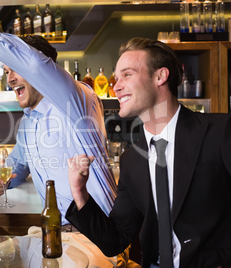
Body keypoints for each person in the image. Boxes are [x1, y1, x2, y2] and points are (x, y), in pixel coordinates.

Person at [0, 1, 132, 267]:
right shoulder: (28, 123)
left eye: (14, 69)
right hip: (55, 235)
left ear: (44, 72)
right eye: (7, 71)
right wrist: (4, 180)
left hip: (97, 234)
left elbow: (33, 63)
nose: (9, 79)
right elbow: (17, 165)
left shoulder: (75, 99)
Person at [65, 37, 231, 268]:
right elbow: (115, 240)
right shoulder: (132, 160)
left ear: (160, 76)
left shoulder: (220, 132)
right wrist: (79, 192)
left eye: (127, 74)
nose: (116, 85)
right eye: (116, 76)